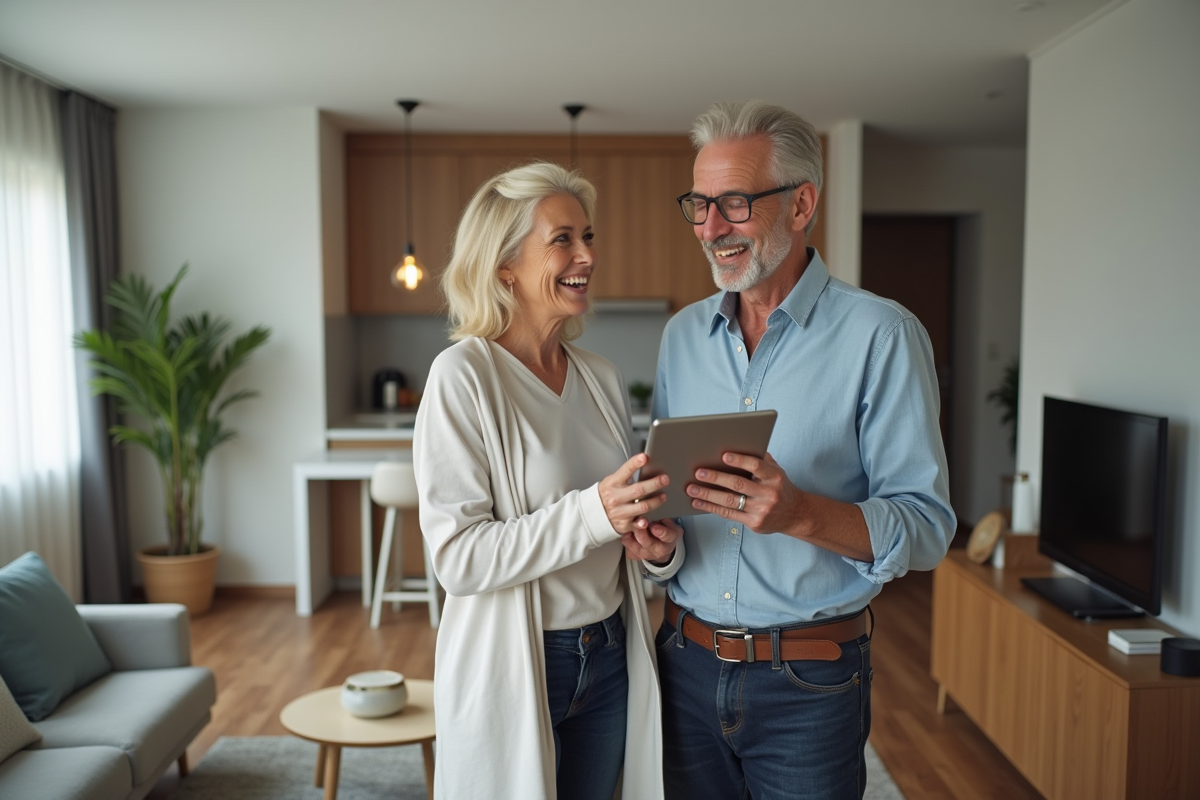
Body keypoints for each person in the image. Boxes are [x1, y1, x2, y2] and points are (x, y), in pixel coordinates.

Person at [644, 101, 956, 799]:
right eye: (699, 204)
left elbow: (929, 529)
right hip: (684, 667)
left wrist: (801, 515)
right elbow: (677, 515)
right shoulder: (681, 337)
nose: (711, 228)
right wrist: (659, 544)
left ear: (801, 202)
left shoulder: (882, 335)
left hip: (809, 681)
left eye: (733, 203)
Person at [413, 161, 681, 800]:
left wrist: (659, 552)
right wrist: (595, 514)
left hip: (611, 651)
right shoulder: (463, 377)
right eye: (562, 238)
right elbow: (459, 558)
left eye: (588, 236)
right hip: (521, 662)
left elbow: (615, 531)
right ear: (505, 265)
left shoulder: (601, 377)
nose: (586, 254)